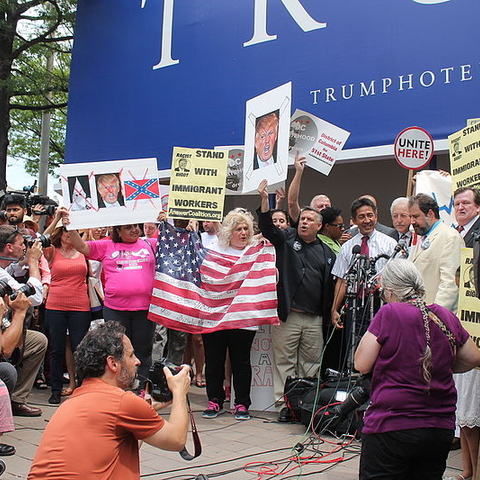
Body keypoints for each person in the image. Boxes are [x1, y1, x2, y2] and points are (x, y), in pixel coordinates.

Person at [354, 259, 480, 480]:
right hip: (438, 427)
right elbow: (473, 357)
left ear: (391, 291)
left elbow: (361, 363)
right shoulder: (444, 315)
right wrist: (442, 365)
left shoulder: (390, 313)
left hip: (392, 424)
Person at [28, 321, 191, 480]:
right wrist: (179, 392)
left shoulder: (72, 401)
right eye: (131, 355)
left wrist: (148, 412)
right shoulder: (122, 401)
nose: (137, 362)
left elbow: (117, 447)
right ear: (113, 363)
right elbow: (176, 440)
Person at [258, 177, 335, 422]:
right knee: (285, 364)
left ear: (319, 226)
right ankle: (285, 406)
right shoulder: (286, 240)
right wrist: (264, 200)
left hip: (314, 319)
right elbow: (268, 228)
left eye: (310, 219)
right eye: (302, 218)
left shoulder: (328, 252)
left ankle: (306, 405)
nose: (304, 222)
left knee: (311, 365)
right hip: (289, 316)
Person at [61, 208, 157, 383]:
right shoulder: (106, 245)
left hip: (144, 309)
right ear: (118, 232)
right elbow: (81, 246)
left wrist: (165, 221)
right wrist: (70, 226)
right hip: (116, 310)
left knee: (143, 350)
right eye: (128, 227)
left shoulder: (150, 244)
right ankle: (120, 385)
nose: (134, 229)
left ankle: (143, 387)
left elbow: (173, 243)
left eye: (136, 225)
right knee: (116, 350)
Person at [201, 210, 262, 421]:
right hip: (214, 315)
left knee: (241, 361)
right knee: (214, 359)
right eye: (238, 229)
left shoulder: (257, 252)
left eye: (246, 229)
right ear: (229, 231)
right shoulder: (213, 249)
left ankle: (242, 403)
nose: (243, 233)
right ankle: (214, 400)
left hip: (243, 317)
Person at [447, 187, 480, 480]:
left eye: (466, 202)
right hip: (463, 324)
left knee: (474, 405)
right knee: (467, 408)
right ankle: (468, 470)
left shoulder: (477, 234)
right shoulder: (457, 233)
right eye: (456, 203)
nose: (460, 207)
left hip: (476, 327)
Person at [42, 215, 91, 405]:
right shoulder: (52, 252)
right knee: (57, 348)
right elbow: (41, 239)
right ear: (60, 235)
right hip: (56, 305)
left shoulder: (82, 250)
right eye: (66, 232)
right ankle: (55, 389)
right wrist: (56, 220)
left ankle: (81, 387)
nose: (70, 235)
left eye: (73, 232)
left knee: (81, 348)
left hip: (80, 305)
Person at [0, 226, 47, 417]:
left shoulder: (5, 268)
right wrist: (34, 263)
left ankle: (16, 399)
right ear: (9, 247)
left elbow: (12, 269)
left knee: (38, 341)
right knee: (7, 361)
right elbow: (34, 298)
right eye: (22, 244)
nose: (25, 248)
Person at [408, 193, 463, 312]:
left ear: (430, 214)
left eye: (416, 216)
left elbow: (450, 284)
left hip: (435, 317)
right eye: (410, 217)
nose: (412, 221)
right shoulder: (420, 236)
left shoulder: (450, 237)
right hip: (417, 313)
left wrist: (436, 315)